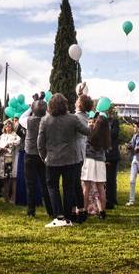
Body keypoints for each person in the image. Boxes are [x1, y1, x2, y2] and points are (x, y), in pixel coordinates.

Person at [37, 93, 89, 228]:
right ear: (65, 104)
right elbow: (86, 131)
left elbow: (40, 143)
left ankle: (59, 216)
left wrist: (44, 157)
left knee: (52, 187)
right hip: (70, 160)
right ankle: (67, 218)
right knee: (68, 188)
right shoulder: (73, 119)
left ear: (51, 106)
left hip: (52, 160)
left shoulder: (45, 120)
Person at [22, 98, 53, 218]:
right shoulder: (48, 120)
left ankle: (31, 211)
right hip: (44, 155)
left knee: (31, 184)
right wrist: (44, 107)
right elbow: (49, 114)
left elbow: (21, 117)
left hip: (30, 155)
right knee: (46, 184)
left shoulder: (28, 120)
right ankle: (51, 211)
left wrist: (32, 105)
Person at [83, 114, 111, 218]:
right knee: (101, 188)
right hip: (100, 161)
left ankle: (84, 210)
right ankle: (102, 212)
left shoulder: (90, 129)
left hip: (89, 159)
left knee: (86, 187)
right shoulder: (106, 135)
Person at [72, 93, 93, 223]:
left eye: (77, 100)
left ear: (79, 104)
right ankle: (78, 210)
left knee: (74, 183)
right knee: (76, 183)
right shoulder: (85, 116)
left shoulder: (76, 117)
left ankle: (78, 211)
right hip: (80, 152)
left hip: (75, 152)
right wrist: (80, 94)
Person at [0, 120, 21, 203]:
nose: (8, 126)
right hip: (2, 158)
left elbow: (18, 141)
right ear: (4, 127)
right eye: (6, 125)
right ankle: (6, 196)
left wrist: (9, 145)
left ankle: (13, 197)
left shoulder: (15, 135)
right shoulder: (2, 136)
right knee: (4, 178)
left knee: (12, 178)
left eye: (10, 125)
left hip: (10, 158)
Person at [105, 108, 121, 209]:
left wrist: (105, 129)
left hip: (112, 155)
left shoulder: (114, 122)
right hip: (104, 155)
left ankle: (112, 200)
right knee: (105, 179)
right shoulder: (101, 121)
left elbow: (114, 134)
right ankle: (107, 199)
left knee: (111, 179)